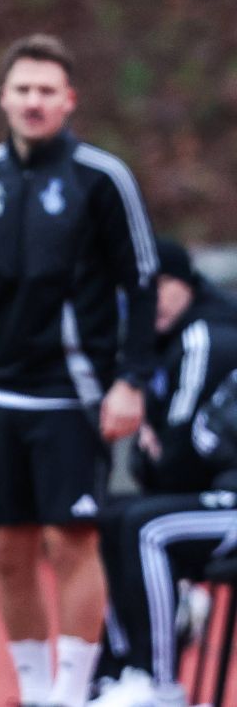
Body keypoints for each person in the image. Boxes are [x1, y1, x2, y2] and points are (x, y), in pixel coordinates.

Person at [0, 33, 158, 707]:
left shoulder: (100, 179)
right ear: (4, 97)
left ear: (69, 101)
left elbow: (141, 281)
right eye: (22, 89)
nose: (33, 101)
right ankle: (36, 692)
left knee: (70, 539)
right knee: (7, 547)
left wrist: (132, 380)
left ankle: (74, 688)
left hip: (76, 391)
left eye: (46, 91)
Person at [89, 239, 237, 707]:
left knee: (147, 526)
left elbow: (184, 452)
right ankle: (122, 672)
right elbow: (163, 454)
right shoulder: (158, 344)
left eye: (160, 286)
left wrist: (166, 453)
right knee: (114, 516)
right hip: (220, 496)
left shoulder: (207, 338)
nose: (150, 299)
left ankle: (158, 682)